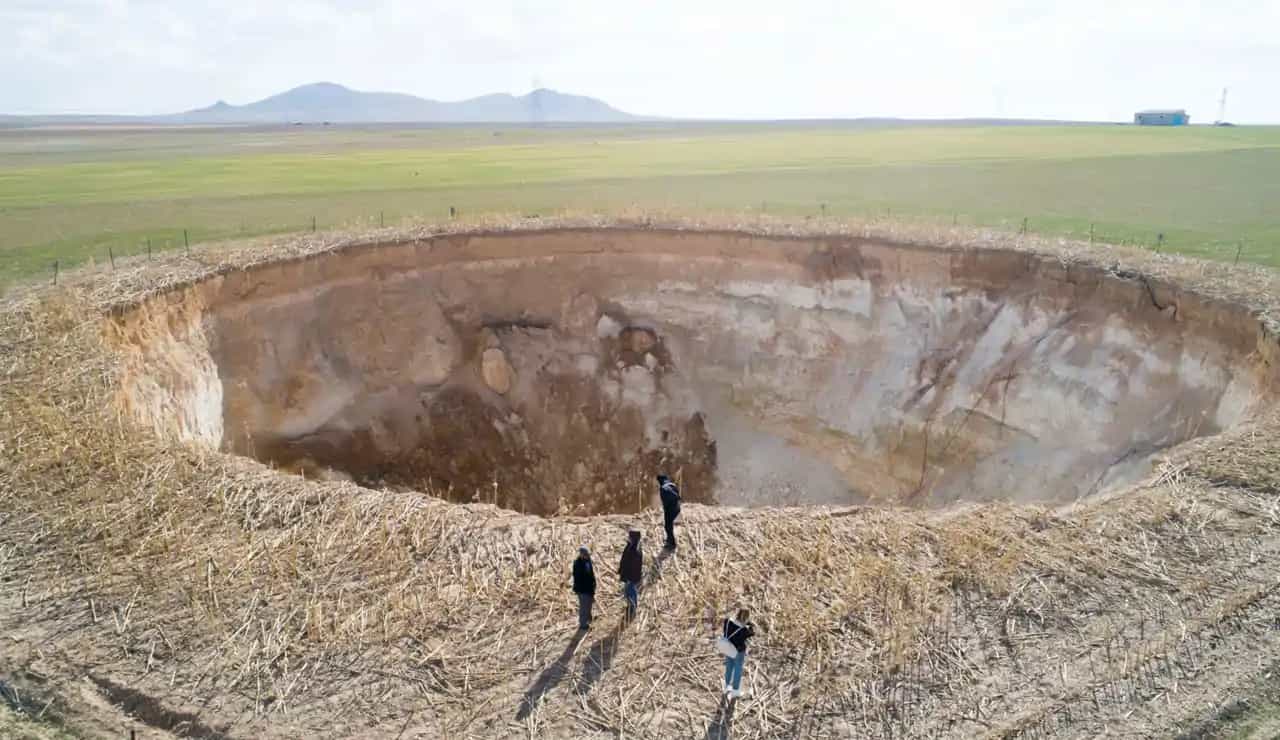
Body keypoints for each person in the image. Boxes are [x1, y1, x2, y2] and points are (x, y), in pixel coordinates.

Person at [722, 608, 755, 699]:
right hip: (739, 651)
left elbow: (725, 632)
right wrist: (749, 624)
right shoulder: (745, 629)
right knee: (737, 669)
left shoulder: (728, 622)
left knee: (729, 667)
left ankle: (727, 686)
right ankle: (735, 691)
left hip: (728, 648)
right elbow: (752, 633)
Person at [618, 529, 643, 621]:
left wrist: (628, 577)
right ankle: (631, 607)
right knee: (629, 592)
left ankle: (632, 609)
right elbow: (624, 559)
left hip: (631, 576)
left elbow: (633, 566)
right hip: (629, 575)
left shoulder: (635, 550)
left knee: (630, 592)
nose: (628, 538)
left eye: (630, 537)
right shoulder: (631, 546)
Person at [572, 546, 596, 630]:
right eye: (586, 555)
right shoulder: (577, 564)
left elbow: (591, 574)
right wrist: (586, 589)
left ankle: (588, 618)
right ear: (581, 555)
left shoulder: (587, 561)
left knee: (589, 604)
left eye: (588, 555)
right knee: (583, 607)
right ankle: (583, 624)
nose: (587, 556)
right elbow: (579, 579)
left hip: (589, 589)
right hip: (582, 590)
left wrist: (593, 585)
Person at [657, 474, 682, 550]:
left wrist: (666, 507)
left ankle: (671, 544)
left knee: (668, 526)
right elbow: (677, 495)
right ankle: (670, 540)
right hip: (677, 507)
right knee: (669, 526)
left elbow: (672, 496)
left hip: (670, 509)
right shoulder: (672, 485)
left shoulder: (664, 488)